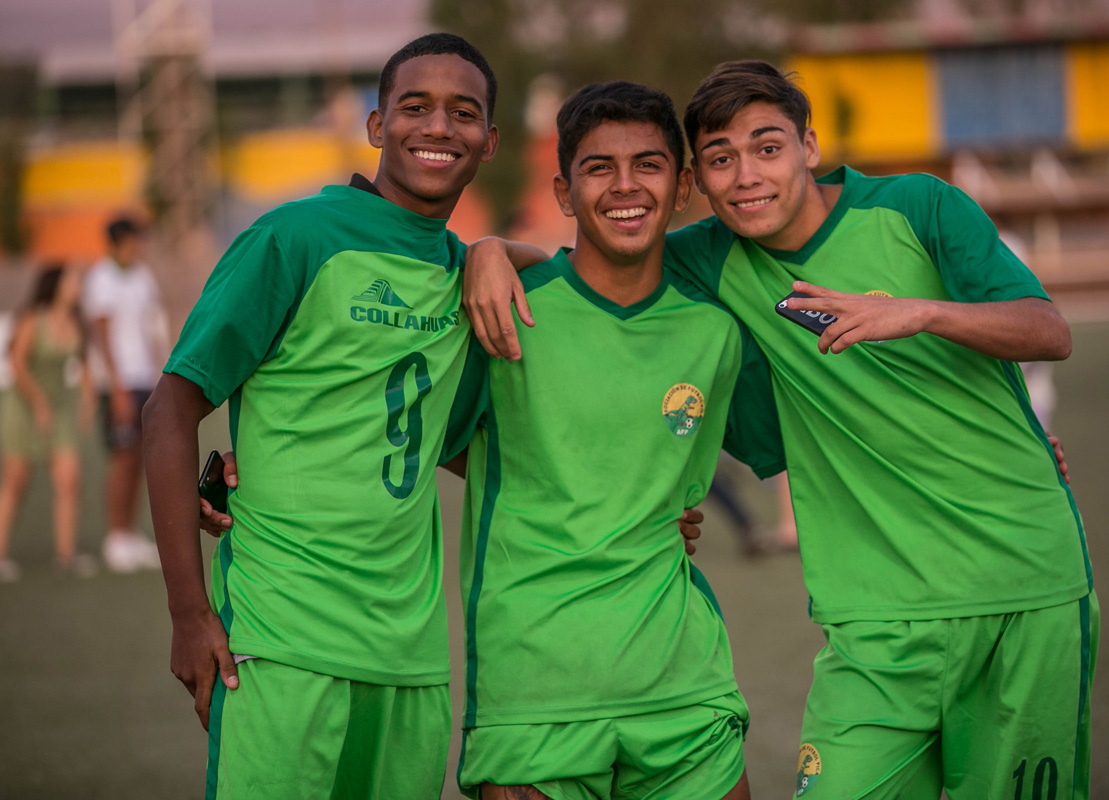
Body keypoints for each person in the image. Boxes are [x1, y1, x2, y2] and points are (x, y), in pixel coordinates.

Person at [468, 60, 1096, 800]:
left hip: (1024, 579)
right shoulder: (711, 259)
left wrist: (918, 312)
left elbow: (1048, 329)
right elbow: (597, 265)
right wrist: (486, 251)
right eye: (721, 160)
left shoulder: (918, 207)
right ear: (696, 183)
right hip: (875, 621)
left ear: (810, 145)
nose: (746, 177)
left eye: (767, 148)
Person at [141, 33, 543, 800]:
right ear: (376, 124)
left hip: (412, 657)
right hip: (283, 638)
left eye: (464, 113)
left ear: (489, 142)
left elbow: (580, 274)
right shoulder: (296, 239)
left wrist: (492, 246)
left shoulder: (461, 274)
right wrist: (189, 614)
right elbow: (171, 410)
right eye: (414, 106)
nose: (438, 127)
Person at [446, 81, 783, 800]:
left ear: (684, 186)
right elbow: (416, 441)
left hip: (683, 687)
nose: (625, 186)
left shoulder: (718, 331)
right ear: (564, 192)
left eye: (649, 165)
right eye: (600, 168)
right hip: (533, 696)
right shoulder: (501, 310)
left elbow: (827, 437)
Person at [0, 265, 96, 580]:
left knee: (70, 479)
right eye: (73, 279)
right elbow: (16, 362)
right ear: (57, 285)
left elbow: (83, 365)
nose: (78, 285)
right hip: (25, 406)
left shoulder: (77, 323)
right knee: (16, 482)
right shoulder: (33, 318)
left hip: (60, 409)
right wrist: (39, 403)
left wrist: (88, 398)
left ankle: (66, 555)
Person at [84, 217, 165, 572]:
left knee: (139, 458)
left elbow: (151, 329)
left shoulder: (142, 277)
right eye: (134, 239)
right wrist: (115, 386)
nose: (139, 246)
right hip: (119, 382)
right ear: (118, 242)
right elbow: (101, 336)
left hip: (145, 378)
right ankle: (115, 535)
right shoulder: (101, 278)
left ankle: (130, 533)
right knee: (122, 456)